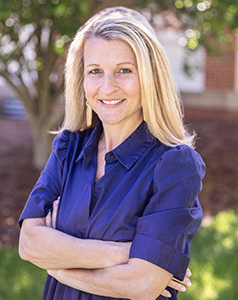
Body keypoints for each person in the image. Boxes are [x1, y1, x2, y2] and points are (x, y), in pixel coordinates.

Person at [18, 6, 206, 300]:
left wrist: (58, 264)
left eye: (124, 70)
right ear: (81, 80)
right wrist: (124, 252)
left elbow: (141, 284)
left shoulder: (175, 164)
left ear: (150, 77)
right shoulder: (69, 148)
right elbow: (29, 243)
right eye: (95, 71)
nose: (108, 87)